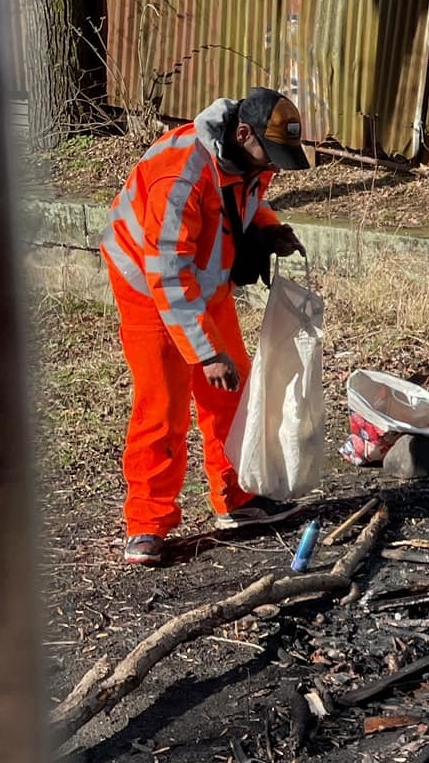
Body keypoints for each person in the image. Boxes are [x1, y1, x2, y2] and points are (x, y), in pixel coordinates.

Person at [100, 87, 313, 566]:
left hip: (203, 285)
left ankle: (235, 500)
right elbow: (167, 272)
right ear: (242, 134)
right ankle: (147, 524)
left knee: (230, 395)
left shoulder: (247, 156)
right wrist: (205, 352)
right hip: (150, 289)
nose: (270, 168)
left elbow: (244, 201)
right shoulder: (180, 175)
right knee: (162, 406)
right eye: (268, 155)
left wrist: (270, 226)